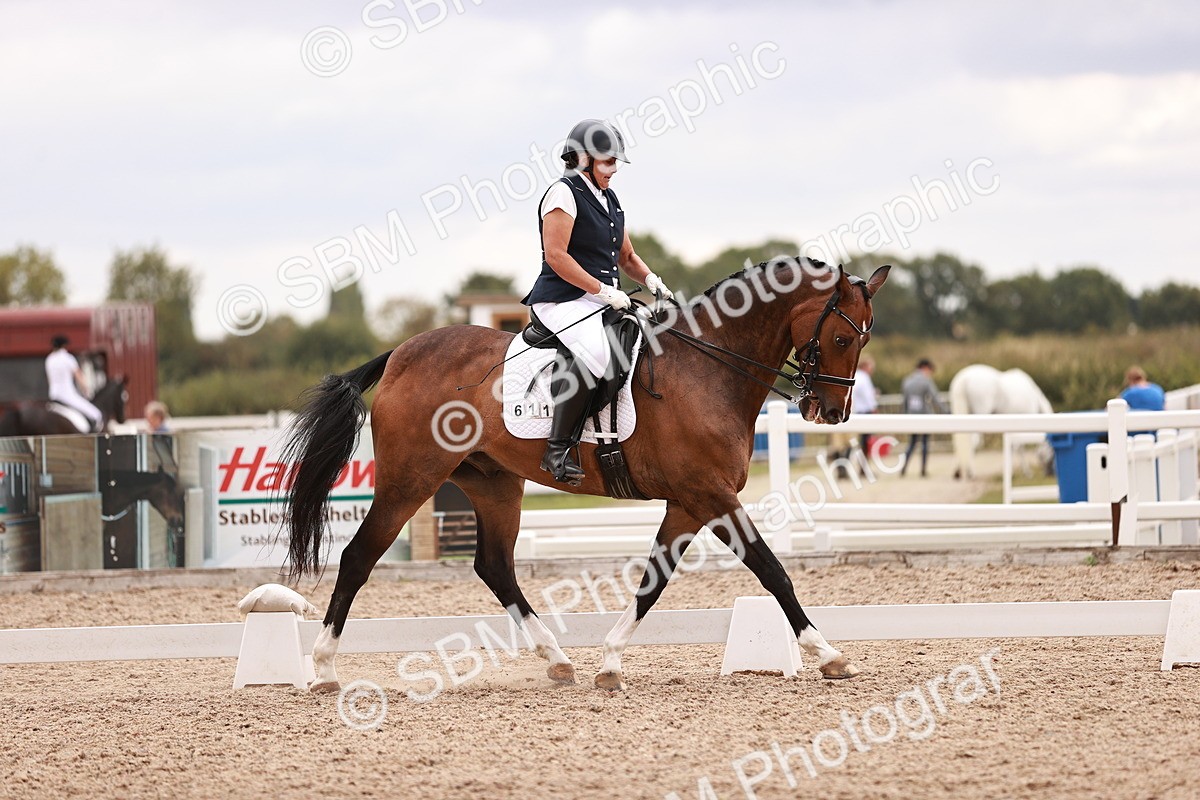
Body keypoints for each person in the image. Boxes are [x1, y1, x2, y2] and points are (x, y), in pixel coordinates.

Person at [521, 119, 676, 484]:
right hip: (561, 299)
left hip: (597, 299)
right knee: (597, 352)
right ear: (583, 159)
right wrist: (603, 291)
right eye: (607, 161)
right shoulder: (563, 193)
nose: (614, 169)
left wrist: (653, 280)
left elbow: (626, 257)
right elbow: (557, 256)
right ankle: (557, 449)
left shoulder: (609, 198)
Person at [45, 335, 104, 432]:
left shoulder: (49, 359)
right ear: (64, 346)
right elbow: (79, 376)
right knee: (96, 415)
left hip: (53, 396)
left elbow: (49, 380)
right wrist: (87, 390)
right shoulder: (68, 358)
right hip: (68, 396)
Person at [900, 358, 945, 477]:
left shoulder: (907, 381)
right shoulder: (926, 381)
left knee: (912, 443)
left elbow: (904, 401)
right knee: (925, 444)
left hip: (911, 416)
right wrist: (945, 411)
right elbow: (935, 398)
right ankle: (923, 470)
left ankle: (903, 468)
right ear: (925, 368)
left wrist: (904, 415)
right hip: (925, 416)